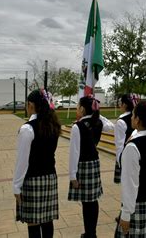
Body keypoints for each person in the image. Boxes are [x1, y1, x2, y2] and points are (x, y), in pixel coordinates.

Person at [13, 89, 60, 238]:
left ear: (31, 105)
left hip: (32, 179)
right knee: (47, 220)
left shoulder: (28, 128)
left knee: (33, 222)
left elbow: (22, 161)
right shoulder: (53, 125)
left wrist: (16, 186)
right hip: (50, 177)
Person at [116, 100, 146, 237]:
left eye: (133, 115)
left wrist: (125, 214)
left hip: (138, 204)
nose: (131, 117)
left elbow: (130, 184)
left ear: (138, 120)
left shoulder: (133, 146)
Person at [68, 95, 114, 238]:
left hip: (82, 165)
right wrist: (98, 115)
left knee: (86, 203)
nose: (76, 109)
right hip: (94, 163)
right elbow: (111, 126)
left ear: (82, 109)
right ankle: (91, 232)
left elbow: (74, 153)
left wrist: (72, 175)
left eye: (77, 106)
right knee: (92, 201)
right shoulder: (98, 122)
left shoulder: (78, 126)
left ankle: (89, 233)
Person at [113, 94, 138, 184]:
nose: (119, 105)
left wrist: (119, 162)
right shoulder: (138, 118)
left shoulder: (121, 121)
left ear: (125, 104)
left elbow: (119, 145)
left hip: (126, 156)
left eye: (120, 102)